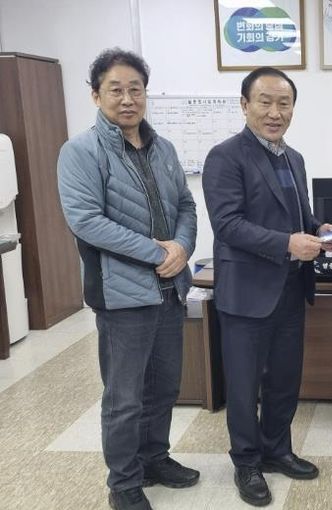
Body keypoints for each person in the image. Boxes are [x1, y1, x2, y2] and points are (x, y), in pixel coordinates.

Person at [57, 48, 199, 510]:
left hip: (169, 289)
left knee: (165, 387)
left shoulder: (164, 148)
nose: (127, 99)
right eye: (115, 90)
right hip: (121, 297)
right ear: (96, 95)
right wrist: (158, 252)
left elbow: (185, 206)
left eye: (135, 89)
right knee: (124, 398)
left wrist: (182, 248)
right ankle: (123, 482)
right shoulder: (81, 151)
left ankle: (154, 458)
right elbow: (86, 221)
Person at [202, 67, 332, 507]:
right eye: (265, 102)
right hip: (246, 293)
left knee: (284, 380)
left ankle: (277, 450)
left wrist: (320, 228)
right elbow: (228, 224)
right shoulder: (225, 157)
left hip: (290, 290)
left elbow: (298, 216)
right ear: (245, 105)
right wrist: (287, 244)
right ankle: (246, 461)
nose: (275, 112)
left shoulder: (293, 158)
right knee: (243, 386)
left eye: (284, 103)